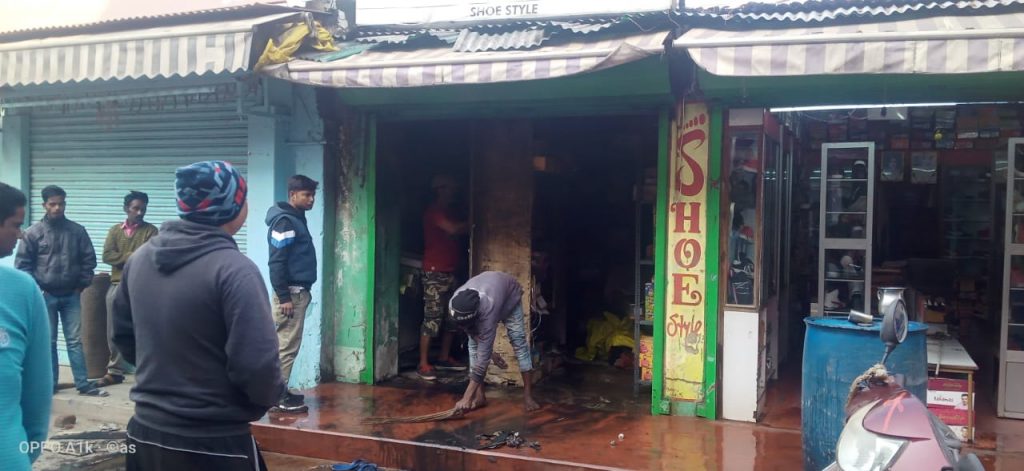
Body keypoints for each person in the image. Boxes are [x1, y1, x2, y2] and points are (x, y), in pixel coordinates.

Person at [112, 161, 282, 470]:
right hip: (214, 441)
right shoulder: (236, 270)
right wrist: (254, 405)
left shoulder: (139, 260)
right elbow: (257, 365)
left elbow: (123, 335)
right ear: (233, 206)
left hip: (145, 434)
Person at [15, 185, 104, 397]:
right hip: (45, 296)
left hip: (72, 295)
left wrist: (80, 285)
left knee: (75, 341)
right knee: (49, 342)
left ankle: (83, 384)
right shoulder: (33, 233)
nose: (57, 208)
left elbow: (89, 260)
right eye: (52, 204)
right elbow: (23, 266)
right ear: (44, 205)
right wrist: (38, 290)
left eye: (61, 203)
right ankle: (50, 385)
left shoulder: (77, 231)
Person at [0, 183, 52, 470]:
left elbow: (37, 394)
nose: (20, 234)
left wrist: (18, 455)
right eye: (15, 225)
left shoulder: (21, 290)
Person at [448, 271, 539, 413]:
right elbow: (468, 330)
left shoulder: (487, 312)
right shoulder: (455, 305)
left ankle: (528, 396)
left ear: (476, 316)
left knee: (518, 341)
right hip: (491, 289)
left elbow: (482, 363)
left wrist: (466, 398)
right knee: (473, 346)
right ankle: (480, 397)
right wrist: (490, 353)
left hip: (509, 295)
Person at [266, 175, 318, 413]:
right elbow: (277, 261)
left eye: (313, 195)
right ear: (292, 195)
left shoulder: (295, 219)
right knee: (286, 347)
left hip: (296, 293)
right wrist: (284, 297)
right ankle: (277, 396)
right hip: (291, 295)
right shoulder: (285, 222)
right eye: (306, 195)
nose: (311, 199)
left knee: (286, 345)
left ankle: (280, 391)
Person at [97, 191, 158, 387]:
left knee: (142, 329)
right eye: (136, 208)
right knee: (113, 330)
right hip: (117, 284)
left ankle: (145, 371)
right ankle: (115, 371)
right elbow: (107, 255)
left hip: (141, 286)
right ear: (126, 209)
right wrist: (133, 256)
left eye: (143, 209)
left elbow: (149, 256)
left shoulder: (151, 231)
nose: (140, 213)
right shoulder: (115, 231)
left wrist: (123, 257)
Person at [418, 174, 469, 380]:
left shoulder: (449, 212)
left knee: (452, 317)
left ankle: (444, 357)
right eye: (450, 188)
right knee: (432, 317)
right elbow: (453, 229)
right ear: (440, 190)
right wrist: (476, 220)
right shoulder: (435, 212)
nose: (454, 192)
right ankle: (423, 363)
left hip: (451, 271)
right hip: (435, 272)